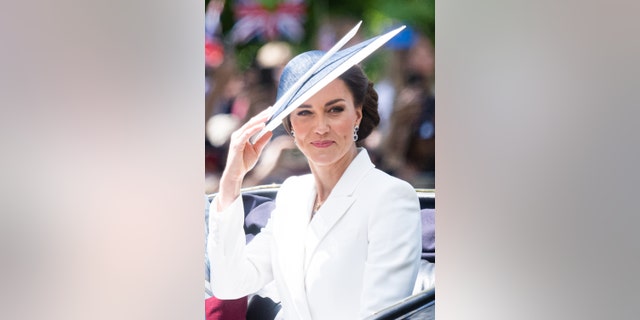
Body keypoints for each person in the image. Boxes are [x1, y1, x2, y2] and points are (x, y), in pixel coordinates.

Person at [207, 49, 422, 319]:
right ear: (290, 125)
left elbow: (381, 314)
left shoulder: (391, 197)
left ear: (356, 115)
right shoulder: (291, 194)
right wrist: (232, 179)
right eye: (305, 112)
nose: (320, 127)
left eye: (334, 110)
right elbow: (230, 284)